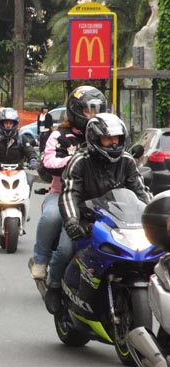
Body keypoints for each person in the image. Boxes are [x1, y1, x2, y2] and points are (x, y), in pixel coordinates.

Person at [44, 113, 152, 314]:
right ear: (94, 139)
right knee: (65, 249)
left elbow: (141, 192)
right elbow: (69, 195)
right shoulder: (79, 161)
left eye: (117, 139)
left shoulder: (127, 161)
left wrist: (153, 217)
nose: (113, 144)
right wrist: (72, 222)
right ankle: (54, 287)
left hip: (119, 221)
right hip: (87, 220)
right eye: (107, 138)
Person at [29, 86, 106, 282]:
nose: (93, 115)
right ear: (75, 111)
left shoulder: (106, 135)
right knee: (52, 219)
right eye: (88, 110)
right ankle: (42, 262)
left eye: (97, 110)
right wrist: (76, 160)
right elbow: (49, 163)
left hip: (98, 199)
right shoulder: (60, 136)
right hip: (62, 194)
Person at [0, 107, 38, 207]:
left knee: (29, 178)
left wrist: (33, 160)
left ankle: (24, 203)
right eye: (6, 123)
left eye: (10, 123)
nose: (8, 126)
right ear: (1, 124)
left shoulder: (22, 139)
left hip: (17, 171)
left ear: (15, 124)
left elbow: (31, 152)